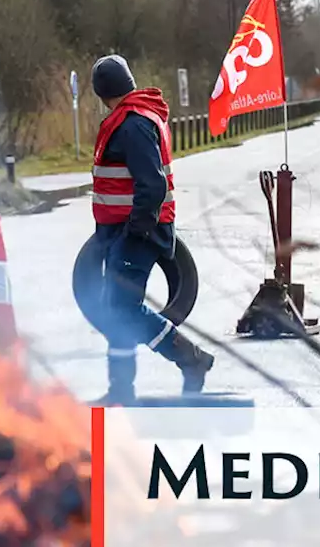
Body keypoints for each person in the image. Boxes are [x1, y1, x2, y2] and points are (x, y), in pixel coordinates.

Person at [87, 54, 214, 405]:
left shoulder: (132, 124)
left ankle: (192, 359)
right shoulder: (136, 117)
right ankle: (121, 391)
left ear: (100, 91)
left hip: (137, 233)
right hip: (123, 233)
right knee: (116, 309)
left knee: (123, 308)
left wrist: (135, 233)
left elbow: (152, 186)